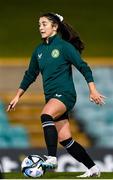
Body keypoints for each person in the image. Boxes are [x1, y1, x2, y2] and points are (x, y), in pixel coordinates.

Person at [7, 13, 105, 178]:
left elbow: (83, 67)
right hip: (52, 97)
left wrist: (92, 90)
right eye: (39, 25)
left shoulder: (64, 47)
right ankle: (93, 168)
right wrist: (18, 96)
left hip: (65, 95)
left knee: (46, 115)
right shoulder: (38, 50)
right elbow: (30, 75)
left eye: (44, 24)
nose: (41, 28)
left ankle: (51, 158)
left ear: (55, 27)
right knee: (65, 139)